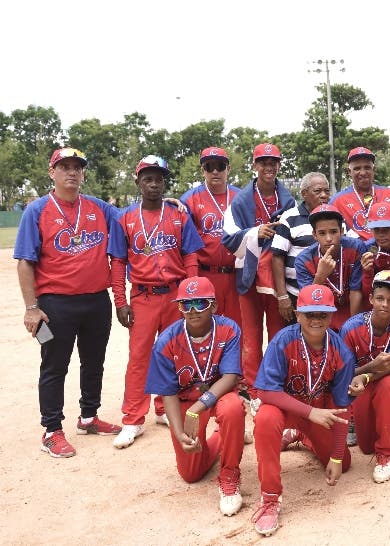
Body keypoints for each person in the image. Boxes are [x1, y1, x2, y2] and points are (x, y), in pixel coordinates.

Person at [14, 147, 122, 458]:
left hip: (95, 301)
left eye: (77, 167)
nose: (71, 172)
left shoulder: (98, 207)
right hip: (55, 304)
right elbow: (25, 263)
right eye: (64, 167)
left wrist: (172, 205)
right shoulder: (36, 210)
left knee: (93, 362)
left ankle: (89, 416)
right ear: (52, 172)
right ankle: (52, 430)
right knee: (54, 366)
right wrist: (31, 307)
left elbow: (135, 215)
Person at [108, 155, 204, 449]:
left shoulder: (179, 215)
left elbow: (190, 257)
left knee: (176, 355)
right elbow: (118, 262)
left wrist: (192, 294)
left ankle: (165, 409)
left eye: (158, 178)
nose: (153, 183)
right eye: (147, 178)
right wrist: (120, 301)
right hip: (143, 296)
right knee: (139, 358)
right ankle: (133, 419)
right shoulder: (124, 217)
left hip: (176, 295)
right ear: (137, 181)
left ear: (165, 183)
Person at [251, 284, 355, 536]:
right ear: (298, 314)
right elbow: (265, 391)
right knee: (265, 418)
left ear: (331, 315)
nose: (316, 320)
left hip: (318, 414)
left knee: (346, 463)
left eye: (323, 314)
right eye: (310, 313)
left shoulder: (342, 352)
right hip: (289, 410)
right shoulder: (283, 340)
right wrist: (309, 413)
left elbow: (342, 408)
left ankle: (300, 436)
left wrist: (337, 457)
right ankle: (270, 499)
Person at [144, 277, 246, 516]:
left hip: (217, 394)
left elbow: (230, 377)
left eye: (200, 303)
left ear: (214, 306)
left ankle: (230, 476)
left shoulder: (229, 329)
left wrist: (198, 407)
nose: (192, 311)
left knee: (232, 408)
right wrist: (179, 433)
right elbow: (167, 392)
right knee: (191, 475)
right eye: (185, 304)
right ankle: (224, 437)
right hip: (184, 400)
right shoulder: (166, 341)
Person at [221, 143, 296, 403]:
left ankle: (275, 384)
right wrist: (256, 233)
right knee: (251, 335)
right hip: (249, 277)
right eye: (263, 162)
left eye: (273, 162)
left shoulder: (288, 200)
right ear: (255, 165)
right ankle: (253, 390)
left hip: (277, 276)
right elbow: (228, 239)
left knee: (278, 331)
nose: (269, 167)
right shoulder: (240, 200)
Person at [342, 271, 390, 483]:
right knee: (364, 446)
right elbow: (343, 375)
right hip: (357, 382)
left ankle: (386, 454)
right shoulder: (350, 328)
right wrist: (370, 368)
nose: (385, 305)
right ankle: (389, 412)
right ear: (370, 299)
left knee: (388, 386)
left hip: (382, 378)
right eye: (379, 298)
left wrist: (367, 377)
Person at [180, 147, 242, 327]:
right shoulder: (189, 199)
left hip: (235, 275)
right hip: (205, 274)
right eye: (209, 167)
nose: (215, 171)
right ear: (202, 171)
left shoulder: (240, 197)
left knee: (236, 329)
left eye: (220, 166)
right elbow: (185, 245)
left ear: (228, 169)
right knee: (205, 328)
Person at [270, 172, 331, 324]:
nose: (323, 195)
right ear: (304, 194)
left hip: (329, 296)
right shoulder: (289, 218)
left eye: (326, 191)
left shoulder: (335, 216)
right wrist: (283, 296)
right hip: (296, 295)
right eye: (318, 191)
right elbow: (277, 257)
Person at [295, 204, 365, 331]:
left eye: (333, 232)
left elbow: (356, 290)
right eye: (322, 233)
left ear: (342, 231)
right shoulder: (303, 260)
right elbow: (307, 300)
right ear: (314, 235)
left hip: (353, 309)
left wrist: (353, 327)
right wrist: (320, 276)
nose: (328, 239)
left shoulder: (356, 248)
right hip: (322, 313)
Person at [329, 147, 390, 240]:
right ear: (349, 172)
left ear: (374, 169)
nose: (363, 172)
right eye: (357, 168)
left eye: (367, 167)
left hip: (389, 252)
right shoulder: (337, 201)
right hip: (356, 252)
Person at [360, 202, 390, 305]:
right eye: (376, 229)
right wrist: (367, 272)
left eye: (386, 229)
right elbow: (366, 293)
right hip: (379, 301)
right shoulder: (366, 248)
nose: (381, 234)